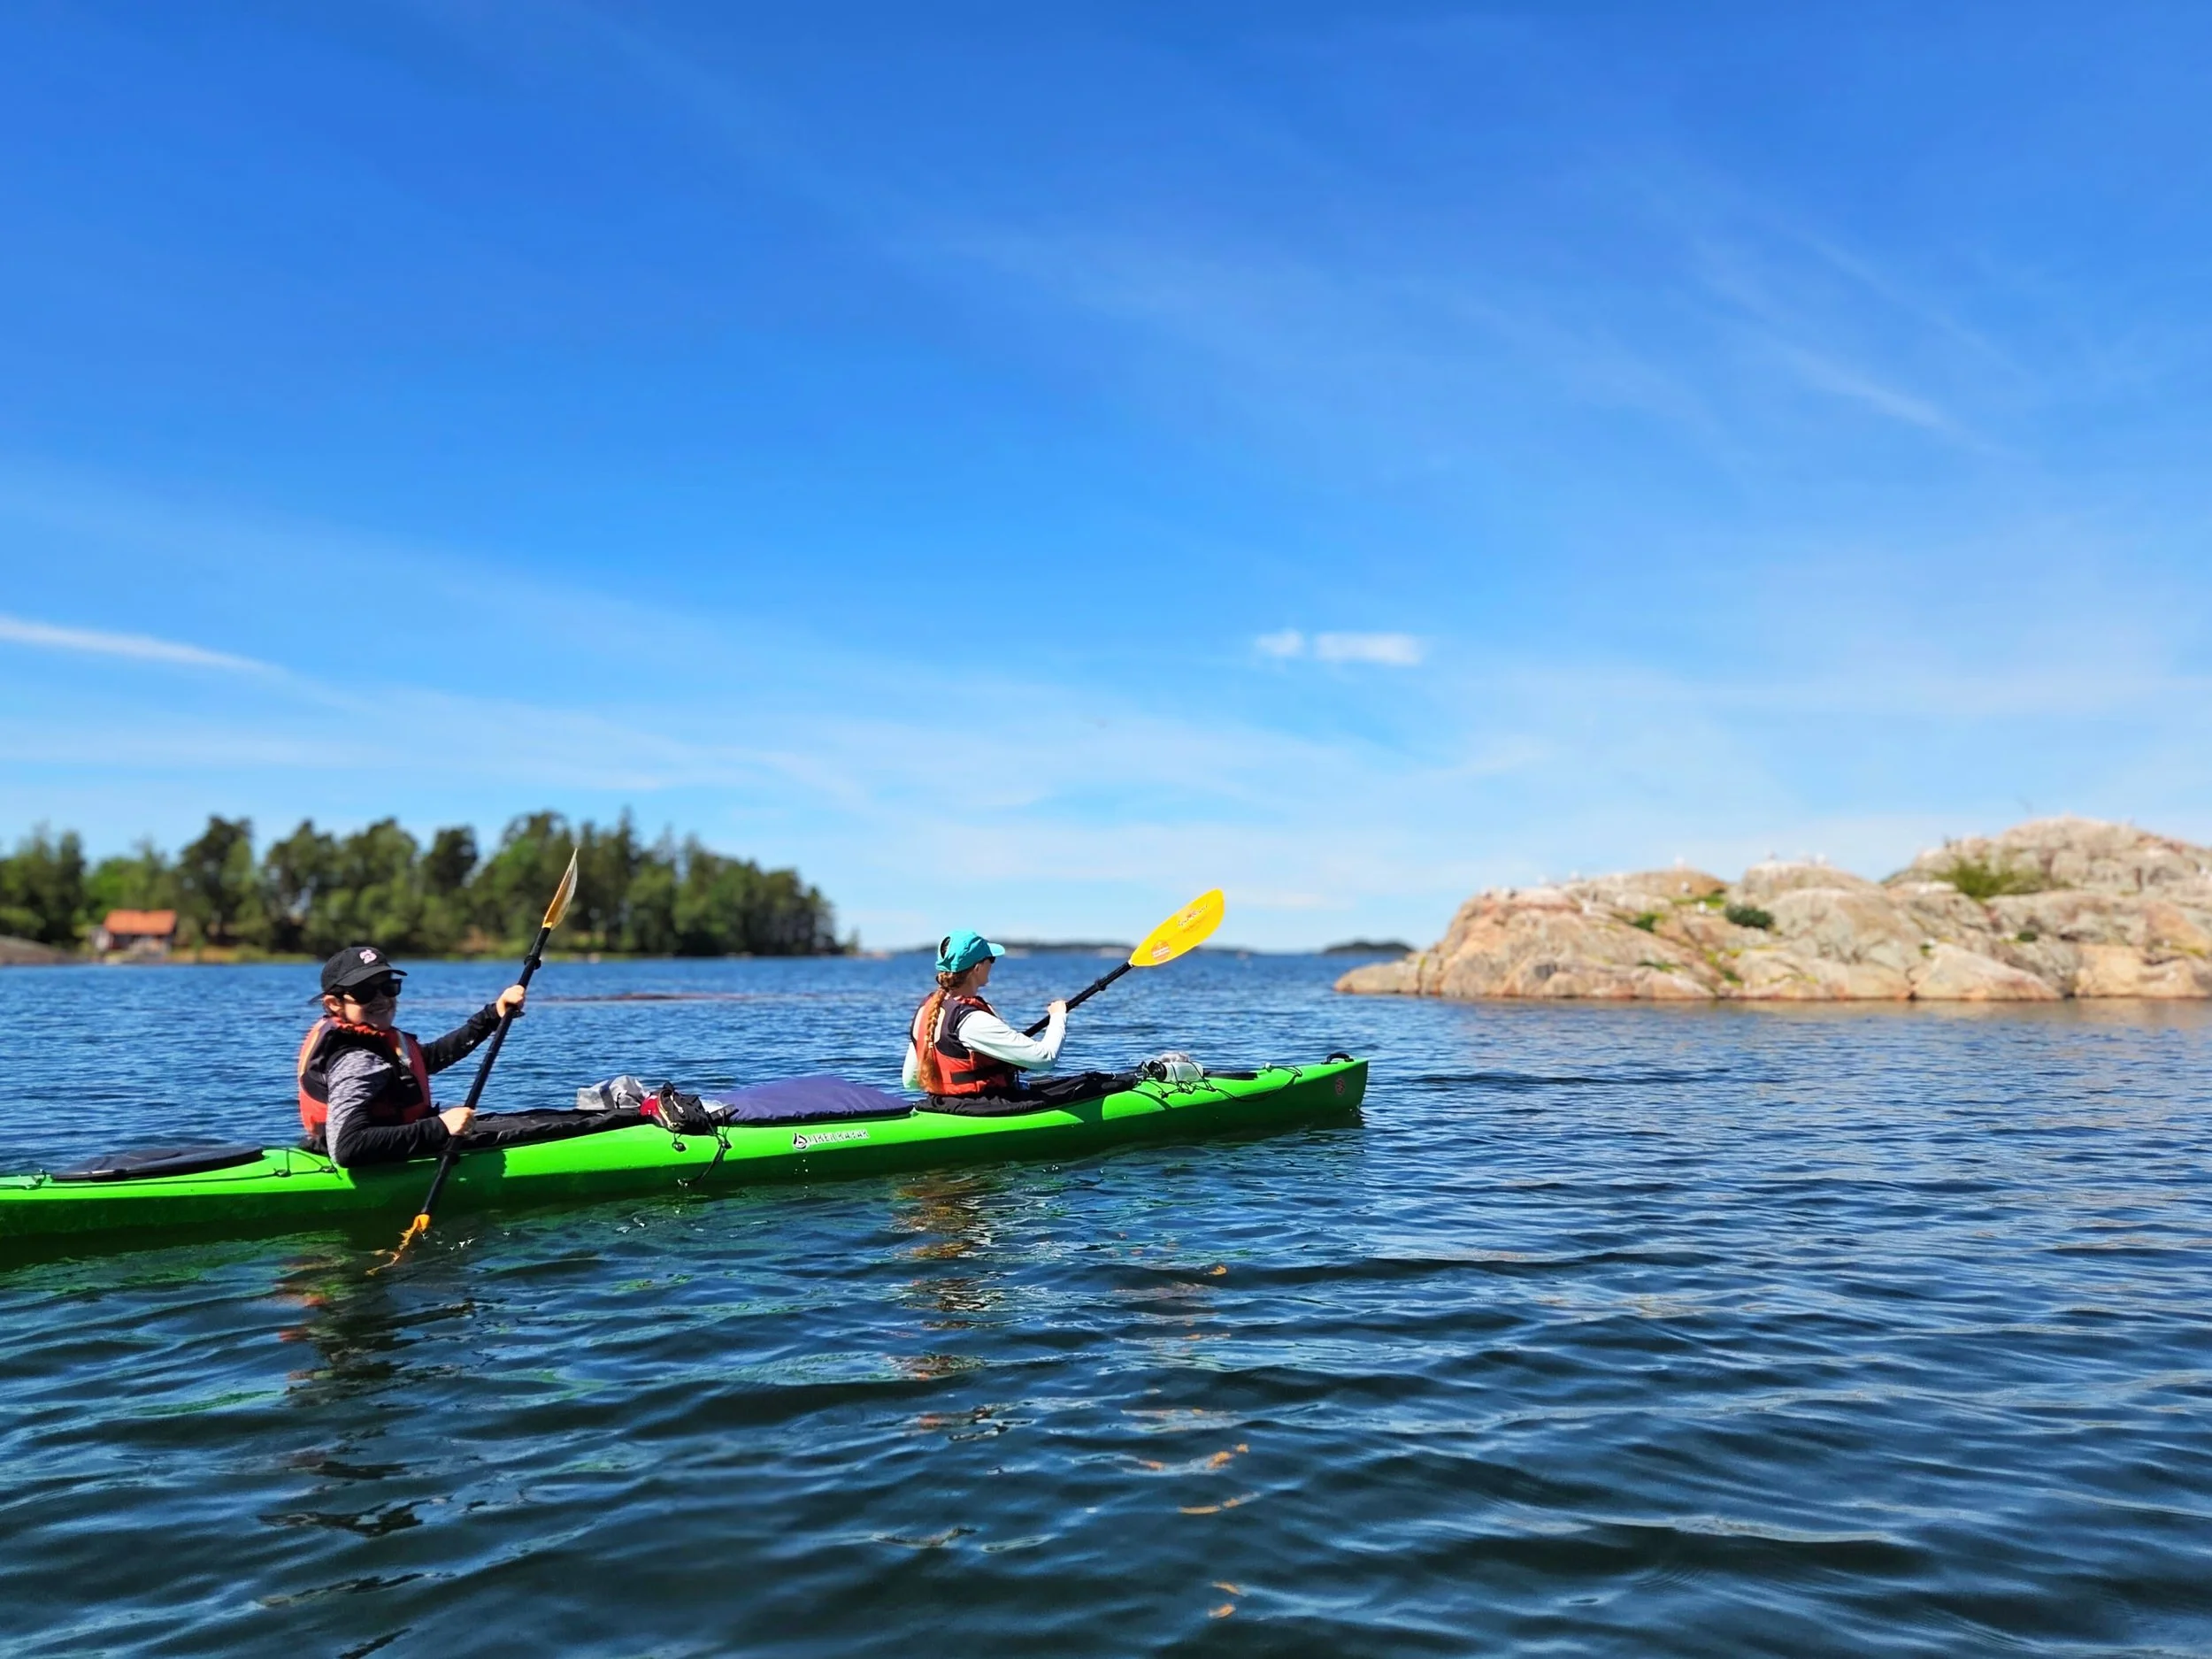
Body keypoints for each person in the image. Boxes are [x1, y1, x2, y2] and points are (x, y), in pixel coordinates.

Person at [296, 944, 528, 1169]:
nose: (381, 999)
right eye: (364, 992)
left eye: (388, 987)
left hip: (389, 1140)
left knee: (537, 1121)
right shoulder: (357, 1059)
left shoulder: (374, 1043)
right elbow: (347, 1148)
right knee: (555, 1129)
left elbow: (430, 1058)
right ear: (334, 1003)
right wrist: (440, 1126)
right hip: (378, 1157)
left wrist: (492, 1015)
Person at [903, 931, 1068, 1102]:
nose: (992, 964)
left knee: (1046, 1084)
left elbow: (910, 1082)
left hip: (938, 1104)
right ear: (977, 967)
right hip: (981, 1109)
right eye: (991, 959)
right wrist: (1058, 1015)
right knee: (1091, 1085)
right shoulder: (972, 1020)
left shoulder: (925, 1010)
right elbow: (1046, 1058)